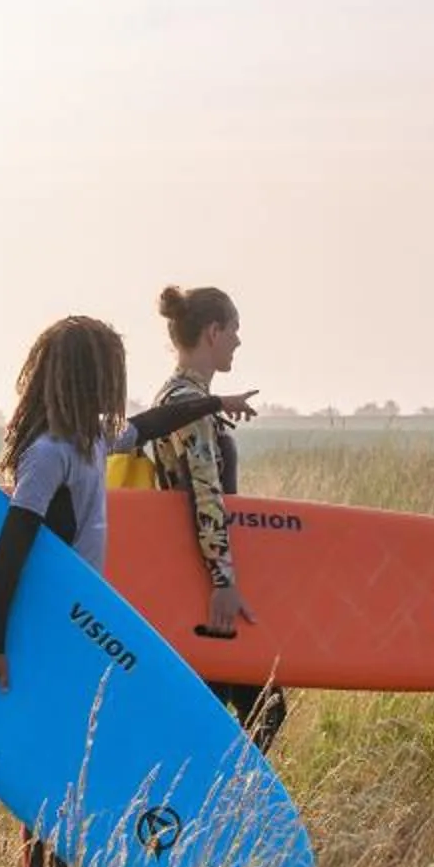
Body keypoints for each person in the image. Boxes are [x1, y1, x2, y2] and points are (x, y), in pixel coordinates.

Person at [0, 315, 256, 867]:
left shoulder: (92, 442)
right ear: (85, 378)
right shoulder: (48, 457)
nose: (117, 389)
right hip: (49, 636)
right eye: (110, 375)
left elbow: (149, 425)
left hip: (83, 634)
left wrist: (214, 402)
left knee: (76, 771)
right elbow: (12, 546)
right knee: (52, 778)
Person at [145, 284, 287, 752]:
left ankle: (208, 807)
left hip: (185, 568)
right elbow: (205, 496)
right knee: (257, 706)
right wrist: (222, 579)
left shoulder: (177, 396)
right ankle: (211, 808)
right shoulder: (189, 406)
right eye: (234, 331)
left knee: (225, 705)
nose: (238, 342)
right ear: (213, 331)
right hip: (200, 575)